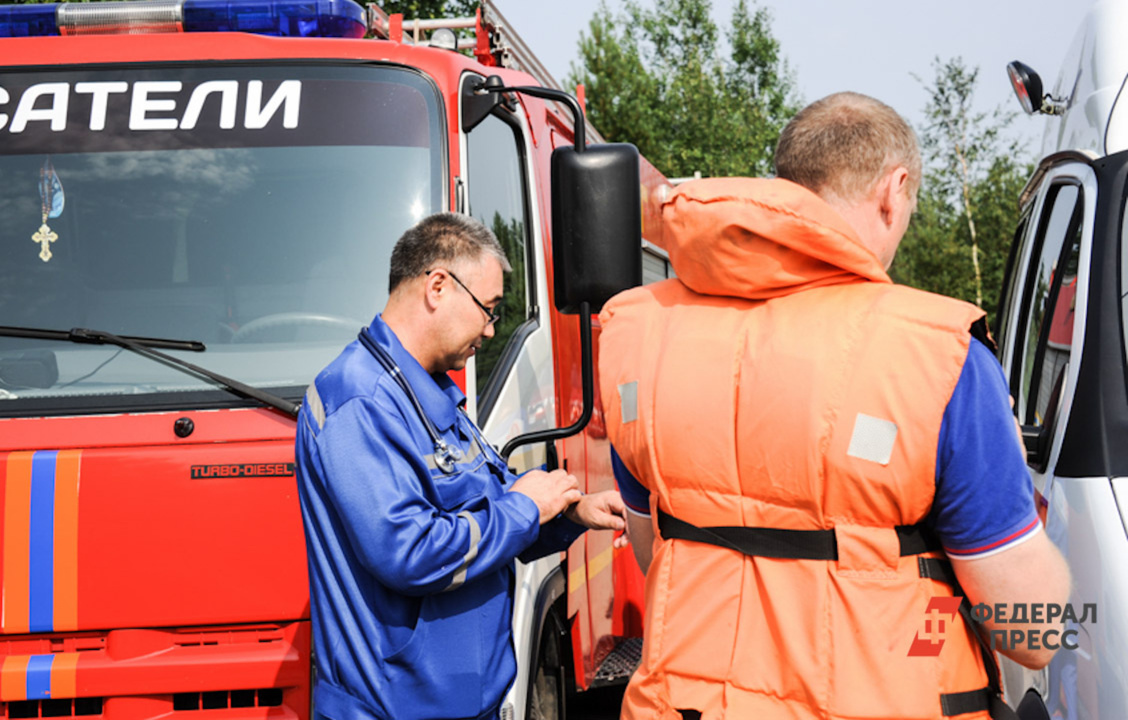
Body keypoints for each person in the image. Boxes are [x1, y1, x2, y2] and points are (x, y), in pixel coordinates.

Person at [598, 92, 1072, 720]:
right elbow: (1029, 633)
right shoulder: (940, 357)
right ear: (893, 190)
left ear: (788, 189)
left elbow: (659, 553)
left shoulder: (639, 334)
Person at [296, 212, 626, 720]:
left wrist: (566, 513)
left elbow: (486, 506)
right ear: (438, 287)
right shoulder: (359, 401)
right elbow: (411, 552)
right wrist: (524, 509)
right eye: (489, 309)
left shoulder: (428, 392)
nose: (492, 330)